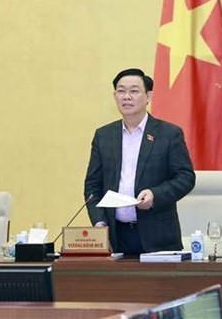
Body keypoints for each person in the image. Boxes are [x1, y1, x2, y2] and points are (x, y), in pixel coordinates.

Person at [84, 68, 195, 255]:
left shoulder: (168, 134)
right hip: (116, 238)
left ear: (148, 96)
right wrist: (100, 225)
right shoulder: (104, 135)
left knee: (159, 285)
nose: (126, 96)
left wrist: (155, 194)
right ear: (115, 96)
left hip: (158, 238)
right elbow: (92, 186)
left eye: (134, 91)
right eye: (121, 91)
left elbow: (185, 178)